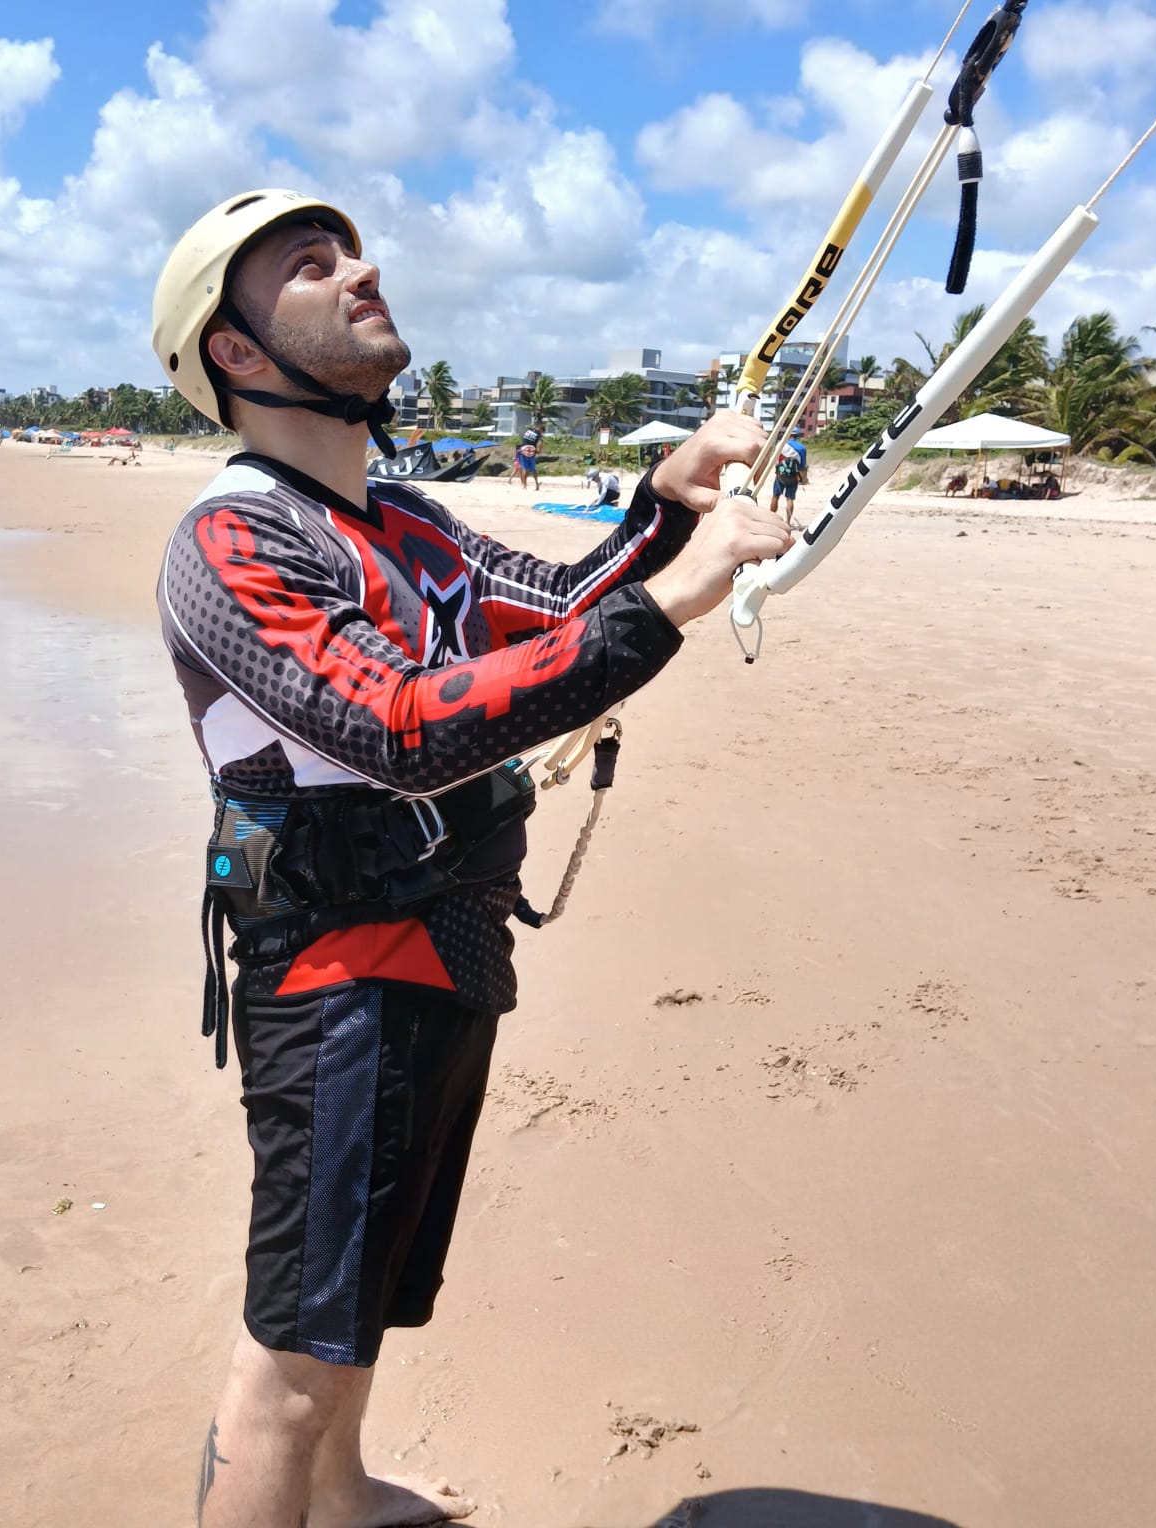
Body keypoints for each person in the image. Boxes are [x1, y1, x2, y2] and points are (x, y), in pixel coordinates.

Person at [150, 188, 791, 1528]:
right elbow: (393, 729)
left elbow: (562, 605)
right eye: (313, 268)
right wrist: (680, 599)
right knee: (292, 1355)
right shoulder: (232, 539)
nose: (364, 269)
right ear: (240, 353)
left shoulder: (409, 520)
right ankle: (300, 1476)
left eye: (354, 249)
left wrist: (663, 516)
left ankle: (340, 1495)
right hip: (335, 972)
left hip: (444, 939)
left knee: (356, 1298)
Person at [769, 427, 807, 520]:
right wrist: (803, 479)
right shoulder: (802, 448)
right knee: (790, 499)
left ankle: (771, 518)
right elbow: (802, 467)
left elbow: (776, 460)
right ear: (797, 436)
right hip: (793, 477)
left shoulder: (780, 445)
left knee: (775, 496)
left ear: (788, 434)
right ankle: (788, 522)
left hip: (780, 475)